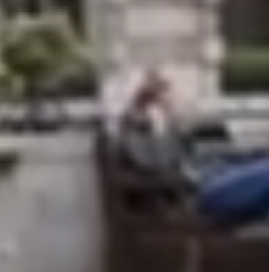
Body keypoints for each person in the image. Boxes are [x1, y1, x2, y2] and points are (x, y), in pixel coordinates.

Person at [115, 68, 269, 228]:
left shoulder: (165, 131)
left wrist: (254, 155)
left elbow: (218, 153)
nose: (170, 101)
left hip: (217, 177)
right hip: (205, 192)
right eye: (163, 95)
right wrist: (157, 120)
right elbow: (155, 167)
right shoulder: (138, 132)